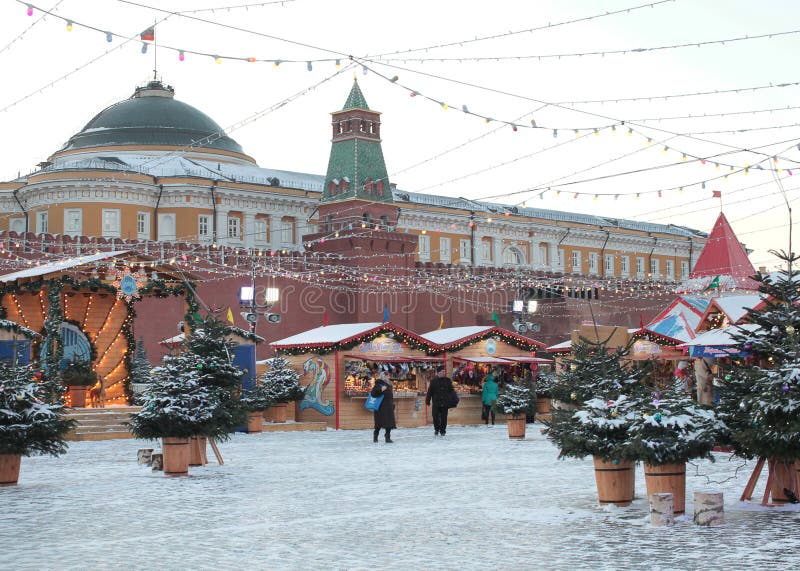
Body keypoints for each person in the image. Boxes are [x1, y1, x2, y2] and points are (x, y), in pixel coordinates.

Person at [426, 367, 454, 436]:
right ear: (438, 372)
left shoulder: (447, 380)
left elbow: (451, 391)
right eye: (442, 371)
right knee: (435, 416)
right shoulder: (433, 381)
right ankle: (436, 429)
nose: (444, 373)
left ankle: (443, 431)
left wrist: (452, 401)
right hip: (436, 402)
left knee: (444, 417)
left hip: (445, 402)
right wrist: (428, 400)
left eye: (444, 371)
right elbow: (430, 391)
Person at [371, 372, 396, 443]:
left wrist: (392, 404)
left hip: (389, 407)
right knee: (379, 423)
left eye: (389, 376)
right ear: (383, 377)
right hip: (380, 407)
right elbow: (373, 394)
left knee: (389, 423)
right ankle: (375, 436)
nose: (389, 377)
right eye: (387, 376)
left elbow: (390, 396)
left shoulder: (389, 385)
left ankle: (387, 437)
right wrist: (381, 390)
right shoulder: (378, 384)